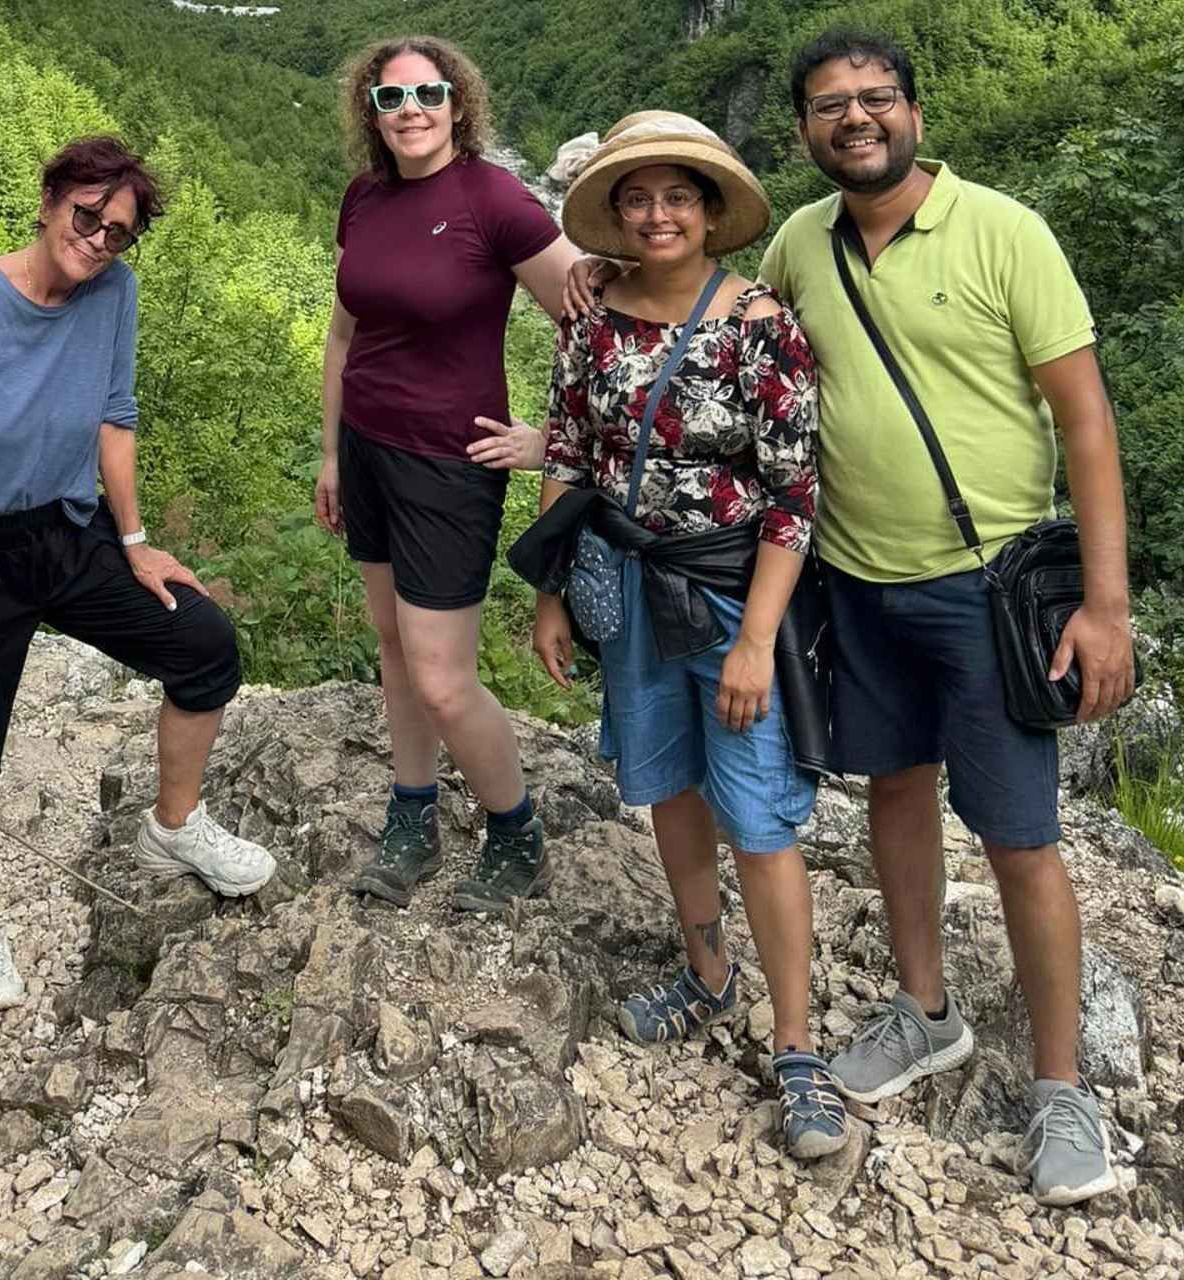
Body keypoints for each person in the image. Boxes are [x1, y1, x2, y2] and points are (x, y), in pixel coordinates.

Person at [574, 31, 1137, 1204]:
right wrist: (600, 277)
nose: (856, 119)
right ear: (805, 134)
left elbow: (1085, 420)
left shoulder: (1003, 233)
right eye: (831, 107)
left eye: (875, 99)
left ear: (915, 111)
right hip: (856, 583)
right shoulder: (800, 244)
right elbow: (703, 342)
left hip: (986, 583)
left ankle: (1064, 1088)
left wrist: (1104, 601)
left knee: (1020, 834)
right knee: (895, 796)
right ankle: (925, 1010)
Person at [0, 136, 277, 1016]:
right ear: (48, 199)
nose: (100, 240)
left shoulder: (113, 293)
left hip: (68, 531)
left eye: (119, 231)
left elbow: (114, 416)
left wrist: (135, 539)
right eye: (87, 217)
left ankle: (170, 827)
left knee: (203, 644)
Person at [539, 111, 843, 1159]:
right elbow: (570, 452)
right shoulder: (592, 318)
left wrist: (759, 637)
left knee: (759, 814)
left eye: (678, 196)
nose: (658, 214)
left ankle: (797, 1044)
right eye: (638, 197)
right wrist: (550, 592)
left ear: (710, 212)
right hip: (625, 578)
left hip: (730, 594)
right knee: (668, 784)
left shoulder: (760, 324)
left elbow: (794, 494)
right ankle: (707, 970)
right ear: (615, 212)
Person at [317, 35, 582, 913]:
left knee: (442, 674)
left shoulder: (494, 198)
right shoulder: (363, 198)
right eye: (390, 100)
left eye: (426, 94)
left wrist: (554, 440)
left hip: (448, 463)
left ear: (457, 103)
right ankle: (413, 810)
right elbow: (344, 334)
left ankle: (516, 830)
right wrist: (329, 451)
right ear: (372, 114)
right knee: (392, 642)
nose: (411, 112)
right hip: (366, 446)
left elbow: (591, 326)